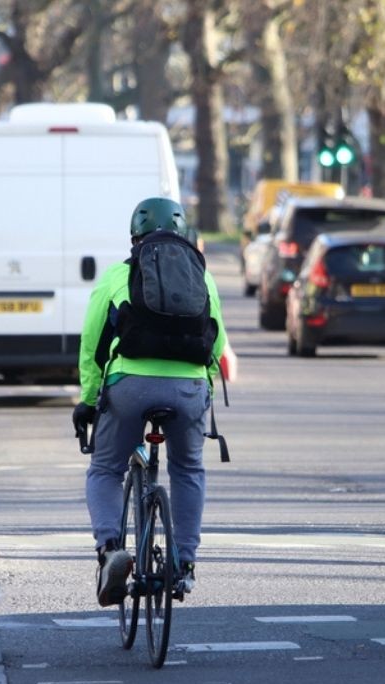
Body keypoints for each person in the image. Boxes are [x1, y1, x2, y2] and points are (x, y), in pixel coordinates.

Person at [73, 197, 228, 606]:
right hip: (189, 389)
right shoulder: (203, 277)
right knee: (188, 467)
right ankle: (185, 564)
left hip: (130, 384)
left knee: (105, 468)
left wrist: (88, 401)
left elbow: (92, 346)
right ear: (183, 235)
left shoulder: (117, 276)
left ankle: (110, 551)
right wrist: (204, 388)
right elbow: (219, 343)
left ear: (134, 239)